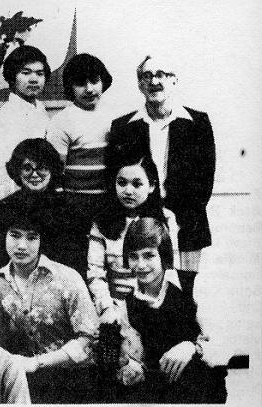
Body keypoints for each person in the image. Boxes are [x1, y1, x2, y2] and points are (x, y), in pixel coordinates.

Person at [107, 54, 215, 274]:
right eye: (147, 76)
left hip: (186, 223)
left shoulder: (198, 123)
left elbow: (204, 181)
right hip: (142, 222)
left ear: (174, 80)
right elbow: (117, 178)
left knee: (185, 287)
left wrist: (177, 215)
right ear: (140, 84)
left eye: (161, 75)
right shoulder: (123, 127)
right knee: (145, 285)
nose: (154, 81)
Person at [0, 212, 100, 403]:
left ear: (42, 240)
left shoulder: (67, 278)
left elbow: (89, 339)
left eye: (31, 237)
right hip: (20, 382)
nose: (22, 245)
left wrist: (37, 363)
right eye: (15, 235)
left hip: (72, 381)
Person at [114, 217, 227, 403]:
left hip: (202, 391)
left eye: (149, 255)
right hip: (161, 395)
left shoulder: (191, 285)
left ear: (163, 255)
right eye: (134, 256)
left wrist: (191, 347)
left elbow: (223, 346)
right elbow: (139, 359)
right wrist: (133, 366)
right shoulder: (128, 302)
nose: (140, 265)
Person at [87, 152, 176, 324]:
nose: (128, 191)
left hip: (155, 307)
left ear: (151, 186)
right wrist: (107, 308)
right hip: (115, 308)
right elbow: (95, 273)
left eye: (137, 184)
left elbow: (171, 270)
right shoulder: (102, 222)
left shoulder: (166, 219)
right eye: (122, 183)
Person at [47, 53, 115, 269]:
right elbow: (54, 173)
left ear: (103, 81)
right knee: (77, 265)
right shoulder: (62, 121)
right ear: (70, 87)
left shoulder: (113, 118)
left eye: (94, 81)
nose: (89, 89)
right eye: (80, 83)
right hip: (75, 211)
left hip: (108, 208)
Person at [0, 138, 84, 277]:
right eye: (27, 168)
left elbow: (75, 263)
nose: (34, 174)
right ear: (18, 171)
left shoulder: (68, 210)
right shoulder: (3, 209)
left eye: (42, 168)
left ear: (52, 170)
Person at [0, 45, 51, 202]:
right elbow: (2, 174)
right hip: (20, 201)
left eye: (40, 73)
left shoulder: (41, 110)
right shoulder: (5, 118)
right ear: (13, 77)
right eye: (26, 73)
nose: (34, 79)